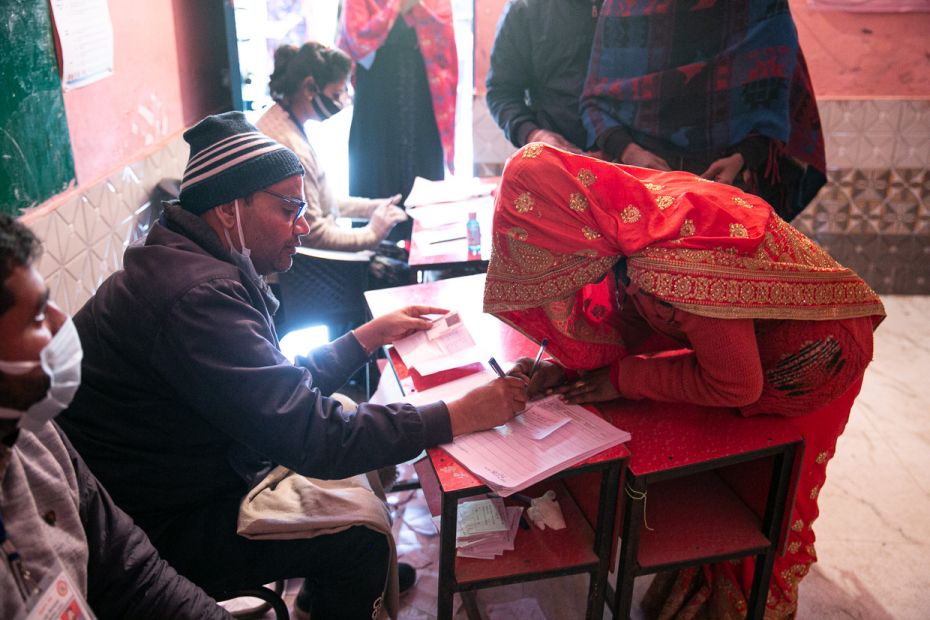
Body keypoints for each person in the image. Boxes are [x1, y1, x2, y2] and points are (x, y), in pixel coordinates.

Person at [57, 112, 526, 619]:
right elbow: (315, 436)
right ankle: (338, 586)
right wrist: (457, 415)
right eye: (289, 209)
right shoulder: (196, 296)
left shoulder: (191, 259)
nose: (302, 226)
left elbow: (271, 384)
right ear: (230, 208)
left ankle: (326, 594)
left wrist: (365, 337)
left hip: (177, 473)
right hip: (159, 520)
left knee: (351, 430)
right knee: (359, 546)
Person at [483, 143, 885, 618]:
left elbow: (737, 385)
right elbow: (640, 318)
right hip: (753, 347)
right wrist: (570, 368)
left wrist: (624, 379)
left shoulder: (677, 262)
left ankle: (753, 605)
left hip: (814, 358)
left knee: (774, 507)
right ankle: (699, 588)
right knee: (728, 492)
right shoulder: (630, 212)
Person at [0, 214, 230, 619]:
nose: (60, 323)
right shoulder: (193, 295)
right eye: (37, 317)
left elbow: (132, 570)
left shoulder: (35, 436)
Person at [581, 0, 827, 221]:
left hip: (731, 186)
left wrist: (742, 158)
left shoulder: (760, 7)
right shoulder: (628, 6)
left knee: (728, 271)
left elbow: (775, 101)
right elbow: (596, 100)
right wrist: (630, 152)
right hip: (640, 184)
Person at [256, 41, 408, 253]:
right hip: (311, 267)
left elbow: (320, 201)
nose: (341, 103)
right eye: (336, 94)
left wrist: (372, 208)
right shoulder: (290, 147)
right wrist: (372, 233)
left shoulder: (279, 119)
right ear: (309, 87)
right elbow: (313, 232)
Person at [337, 0, 457, 204]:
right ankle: (371, 235)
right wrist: (398, 6)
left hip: (422, 93)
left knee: (423, 170)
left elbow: (443, 29)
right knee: (375, 170)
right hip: (377, 95)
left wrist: (414, 7)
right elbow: (355, 37)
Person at [486, 0, 601, 154]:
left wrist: (622, 146)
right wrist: (533, 135)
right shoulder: (525, 7)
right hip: (555, 157)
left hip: (626, 158)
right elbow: (501, 91)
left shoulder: (632, 6)